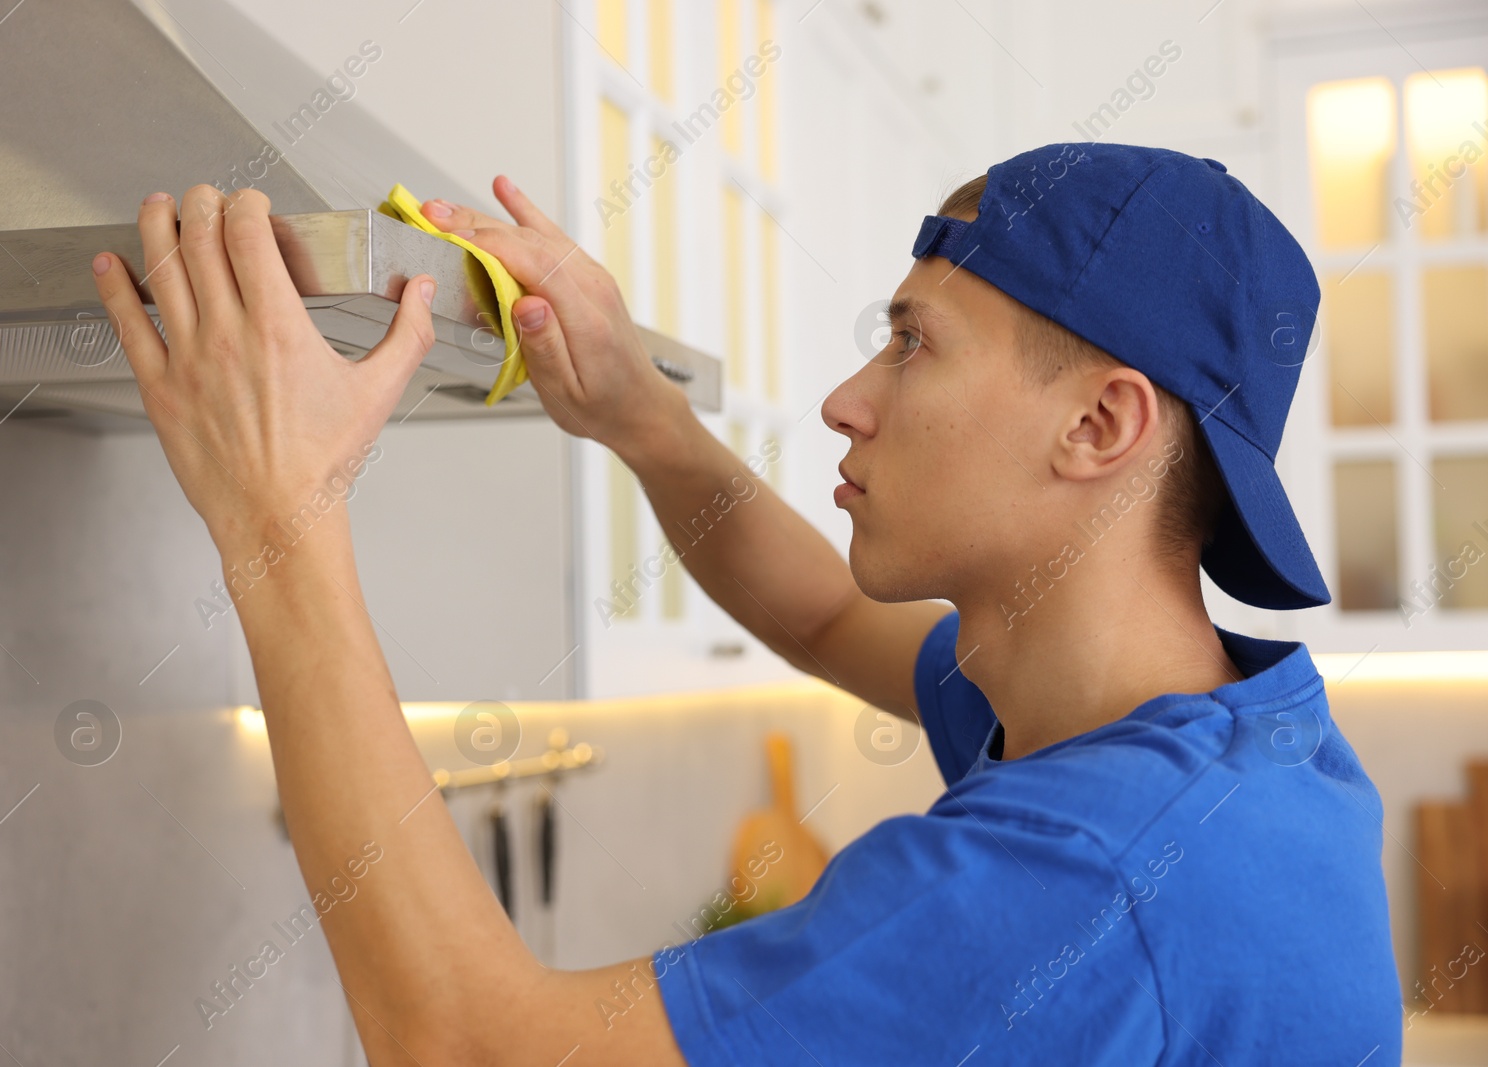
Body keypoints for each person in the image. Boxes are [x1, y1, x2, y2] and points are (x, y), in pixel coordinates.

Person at [91, 142, 1401, 1066]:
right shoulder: (1199, 733)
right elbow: (828, 618)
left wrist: (278, 519)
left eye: (912, 342)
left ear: (1101, 423)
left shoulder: (1086, 879)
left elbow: (468, 1054)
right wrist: (637, 412)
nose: (848, 398)